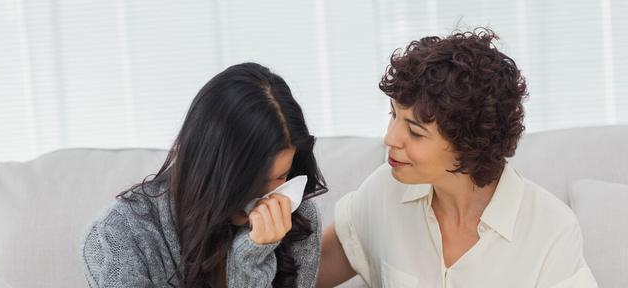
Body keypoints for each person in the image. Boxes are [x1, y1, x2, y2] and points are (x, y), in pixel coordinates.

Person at [317, 29, 598, 287]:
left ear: (469, 143)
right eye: (394, 115)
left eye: (415, 131)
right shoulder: (384, 191)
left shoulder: (551, 230)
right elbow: (301, 275)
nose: (390, 138)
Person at [82, 62, 327, 288]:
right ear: (208, 167)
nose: (265, 197)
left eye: (280, 177)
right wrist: (249, 261)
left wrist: (253, 256)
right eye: (251, 181)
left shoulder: (298, 223)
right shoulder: (116, 238)